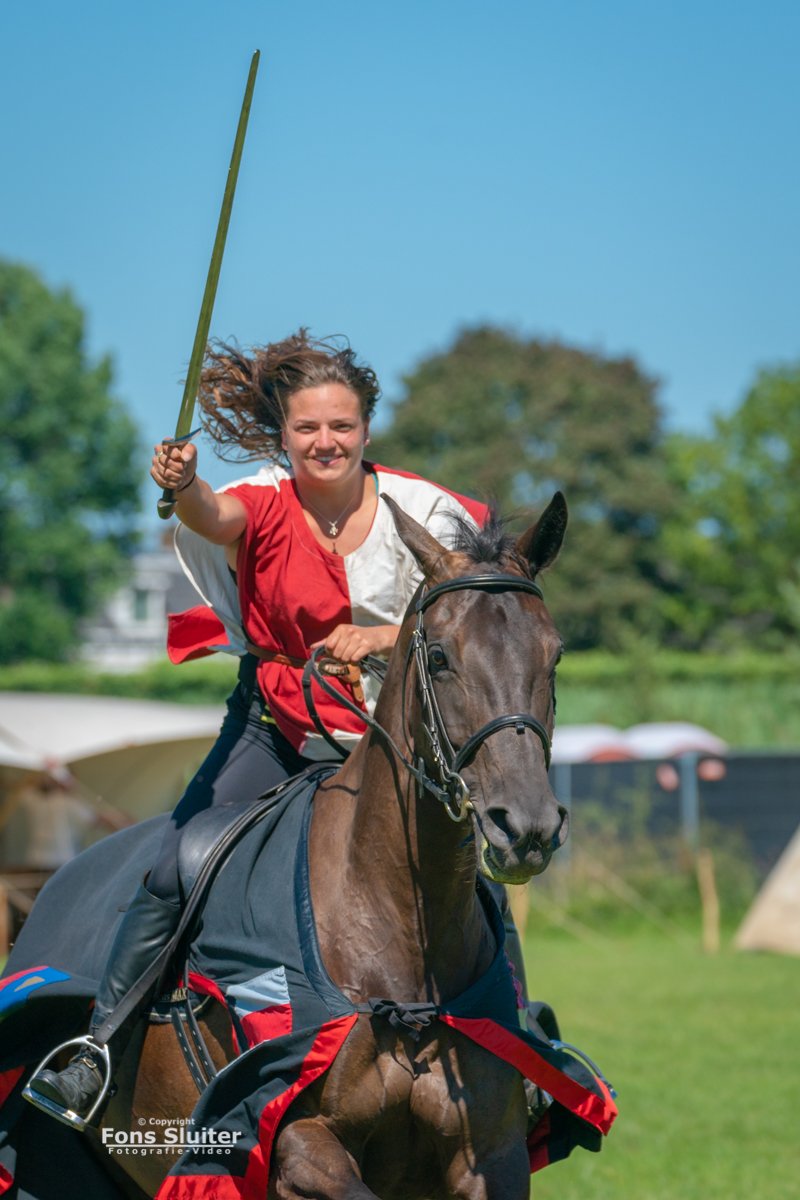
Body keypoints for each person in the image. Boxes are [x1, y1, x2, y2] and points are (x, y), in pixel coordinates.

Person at [27, 330, 525, 1121]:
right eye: (307, 428)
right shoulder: (259, 500)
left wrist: (382, 637)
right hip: (277, 728)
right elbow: (212, 515)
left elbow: (482, 613)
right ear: (284, 435)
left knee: (472, 874)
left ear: (366, 429)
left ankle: (518, 1053)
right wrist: (185, 482)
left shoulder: (431, 511)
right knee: (176, 863)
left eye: (342, 426)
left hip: (395, 745)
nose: (326, 441)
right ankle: (98, 1049)